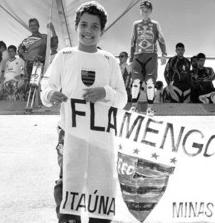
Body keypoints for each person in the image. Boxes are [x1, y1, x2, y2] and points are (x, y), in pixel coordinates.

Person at [40, 2, 127, 223]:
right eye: (84, 25)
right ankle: (69, 218)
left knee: (101, 179)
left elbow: (123, 98)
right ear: (76, 25)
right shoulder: (64, 56)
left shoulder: (109, 61)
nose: (88, 31)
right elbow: (46, 86)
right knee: (68, 178)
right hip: (69, 132)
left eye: (95, 27)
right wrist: (50, 95)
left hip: (100, 136)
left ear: (102, 31)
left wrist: (104, 92)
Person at [129, 0, 167, 115]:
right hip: (137, 55)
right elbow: (132, 41)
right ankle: (133, 107)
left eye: (147, 10)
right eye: (143, 10)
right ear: (140, 11)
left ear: (151, 11)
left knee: (150, 82)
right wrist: (131, 57)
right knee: (135, 81)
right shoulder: (135, 24)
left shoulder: (155, 24)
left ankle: (150, 109)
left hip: (151, 55)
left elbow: (161, 39)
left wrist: (164, 54)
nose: (145, 12)